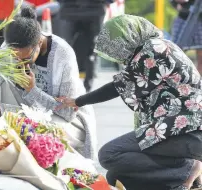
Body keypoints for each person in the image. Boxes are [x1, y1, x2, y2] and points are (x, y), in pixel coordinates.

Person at [55, 15, 202, 190]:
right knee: (118, 176)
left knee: (109, 155)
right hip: (177, 129)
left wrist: (78, 101)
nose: (118, 53)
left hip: (186, 130)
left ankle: (186, 169)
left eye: (118, 46)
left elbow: (117, 87)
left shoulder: (153, 50)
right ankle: (184, 180)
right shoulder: (159, 46)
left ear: (129, 38)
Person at [0, 6, 97, 159]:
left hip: (66, 122)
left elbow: (68, 113)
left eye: (26, 58)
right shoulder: (9, 49)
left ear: (39, 43)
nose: (21, 63)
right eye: (15, 58)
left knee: (36, 134)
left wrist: (32, 91)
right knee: (1, 83)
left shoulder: (63, 54)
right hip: (30, 113)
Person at [58, 0, 114, 92]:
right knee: (91, 51)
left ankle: (64, 84)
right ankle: (87, 87)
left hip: (69, 11)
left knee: (64, 48)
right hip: (95, 11)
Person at [170, 0, 202, 74]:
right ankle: (175, 76)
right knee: (175, 51)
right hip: (184, 18)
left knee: (201, 55)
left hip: (200, 18)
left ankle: (198, 81)